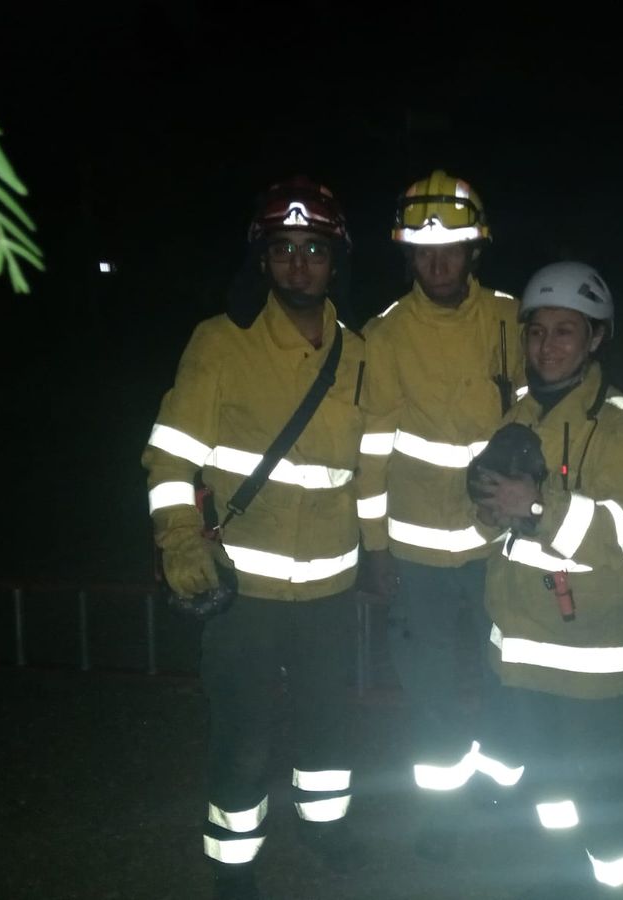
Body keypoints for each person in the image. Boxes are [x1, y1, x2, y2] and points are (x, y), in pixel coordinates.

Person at [141, 176, 369, 900]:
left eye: (313, 249)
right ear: (262, 259)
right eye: (284, 249)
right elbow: (170, 454)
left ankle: (324, 827)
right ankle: (233, 863)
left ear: (337, 260)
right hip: (243, 592)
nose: (299, 263)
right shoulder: (220, 341)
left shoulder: (359, 352)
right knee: (243, 737)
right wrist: (180, 542)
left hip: (331, 590)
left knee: (328, 727)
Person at [468, 261, 623, 898]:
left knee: (601, 793)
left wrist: (536, 507)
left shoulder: (621, 427)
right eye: (536, 332)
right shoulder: (517, 417)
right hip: (520, 650)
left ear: (595, 339)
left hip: (591, 659)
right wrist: (488, 511)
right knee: (551, 789)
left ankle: (620, 887)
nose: (546, 346)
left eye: (564, 332)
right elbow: (498, 529)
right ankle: (560, 881)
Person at [358, 169, 526, 861]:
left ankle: (506, 792)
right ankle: (442, 812)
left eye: (451, 249)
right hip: (418, 554)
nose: (437, 262)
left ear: (473, 252)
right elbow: (371, 448)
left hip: (499, 544)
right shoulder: (385, 334)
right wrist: (375, 547)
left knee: (507, 672)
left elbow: (534, 418)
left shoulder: (510, 319)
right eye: (424, 252)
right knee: (427, 692)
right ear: (407, 256)